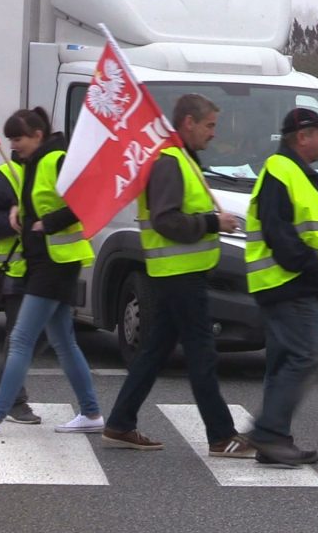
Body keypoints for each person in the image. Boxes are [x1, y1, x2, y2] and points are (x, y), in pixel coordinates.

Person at [101, 94, 254, 457]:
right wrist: (213, 222)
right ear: (188, 122)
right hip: (180, 275)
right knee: (201, 355)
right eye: (210, 125)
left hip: (179, 273)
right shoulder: (170, 162)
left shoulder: (182, 159)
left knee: (154, 352)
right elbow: (166, 220)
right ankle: (220, 435)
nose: (213, 133)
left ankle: (120, 423)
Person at [0, 107, 103, 436]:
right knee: (64, 342)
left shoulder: (54, 159)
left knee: (22, 338)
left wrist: (46, 223)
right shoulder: (38, 162)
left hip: (54, 263)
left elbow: (86, 199)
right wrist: (21, 216)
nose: (14, 145)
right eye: (10, 139)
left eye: (19, 138)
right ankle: (92, 413)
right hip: (52, 262)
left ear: (38, 135)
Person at [242, 108, 318, 466]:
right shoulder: (282, 170)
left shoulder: (292, 171)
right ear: (302, 136)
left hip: (287, 283)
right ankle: (268, 432)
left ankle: (274, 439)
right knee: (309, 356)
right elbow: (278, 232)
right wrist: (311, 269)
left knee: (284, 361)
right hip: (290, 283)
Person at [0, 156, 45, 425]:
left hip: (47, 269)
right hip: (18, 272)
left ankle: (89, 409)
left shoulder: (49, 169)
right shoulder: (4, 176)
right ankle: (13, 399)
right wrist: (12, 222)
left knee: (49, 335)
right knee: (21, 336)